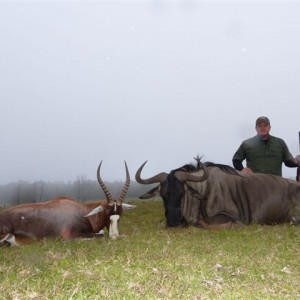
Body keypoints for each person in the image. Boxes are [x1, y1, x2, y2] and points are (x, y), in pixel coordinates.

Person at [232, 116, 300, 179]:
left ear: (269, 127)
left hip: (276, 185)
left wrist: (297, 161)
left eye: (265, 125)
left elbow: (288, 162)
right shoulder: (247, 144)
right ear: (256, 128)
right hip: (253, 183)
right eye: (260, 126)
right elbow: (236, 160)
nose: (262, 128)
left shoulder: (280, 143)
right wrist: (242, 169)